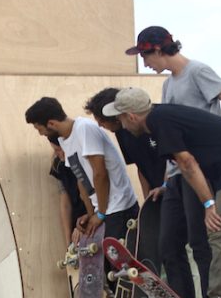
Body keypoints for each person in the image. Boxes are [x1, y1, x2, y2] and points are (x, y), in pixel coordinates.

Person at [103, 87, 221, 298]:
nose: (122, 126)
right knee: (220, 234)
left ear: (131, 116)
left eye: (121, 119)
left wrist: (208, 204)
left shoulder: (160, 123)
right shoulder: (159, 117)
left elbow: (187, 163)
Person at [126, 26, 221, 298]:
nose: (145, 64)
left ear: (157, 49)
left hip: (198, 173)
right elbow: (170, 140)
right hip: (176, 175)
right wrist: (166, 182)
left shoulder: (197, 72)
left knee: (199, 242)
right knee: (168, 244)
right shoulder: (169, 84)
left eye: (145, 57)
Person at [25, 97, 138, 240]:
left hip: (119, 208)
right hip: (104, 211)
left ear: (51, 123)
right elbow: (81, 179)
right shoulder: (64, 141)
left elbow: (100, 173)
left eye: (39, 129)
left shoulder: (84, 128)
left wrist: (101, 213)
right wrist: (91, 214)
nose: (41, 134)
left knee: (119, 258)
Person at [84, 87, 165, 197]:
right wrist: (147, 201)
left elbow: (175, 161)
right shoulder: (120, 131)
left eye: (102, 121)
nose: (100, 126)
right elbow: (141, 167)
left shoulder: (157, 119)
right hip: (156, 192)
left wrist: (166, 186)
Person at [47, 133, 89, 248]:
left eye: (58, 150)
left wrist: (88, 221)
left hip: (93, 215)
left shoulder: (84, 159)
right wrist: (68, 240)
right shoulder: (59, 165)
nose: (57, 154)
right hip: (78, 220)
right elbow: (65, 204)